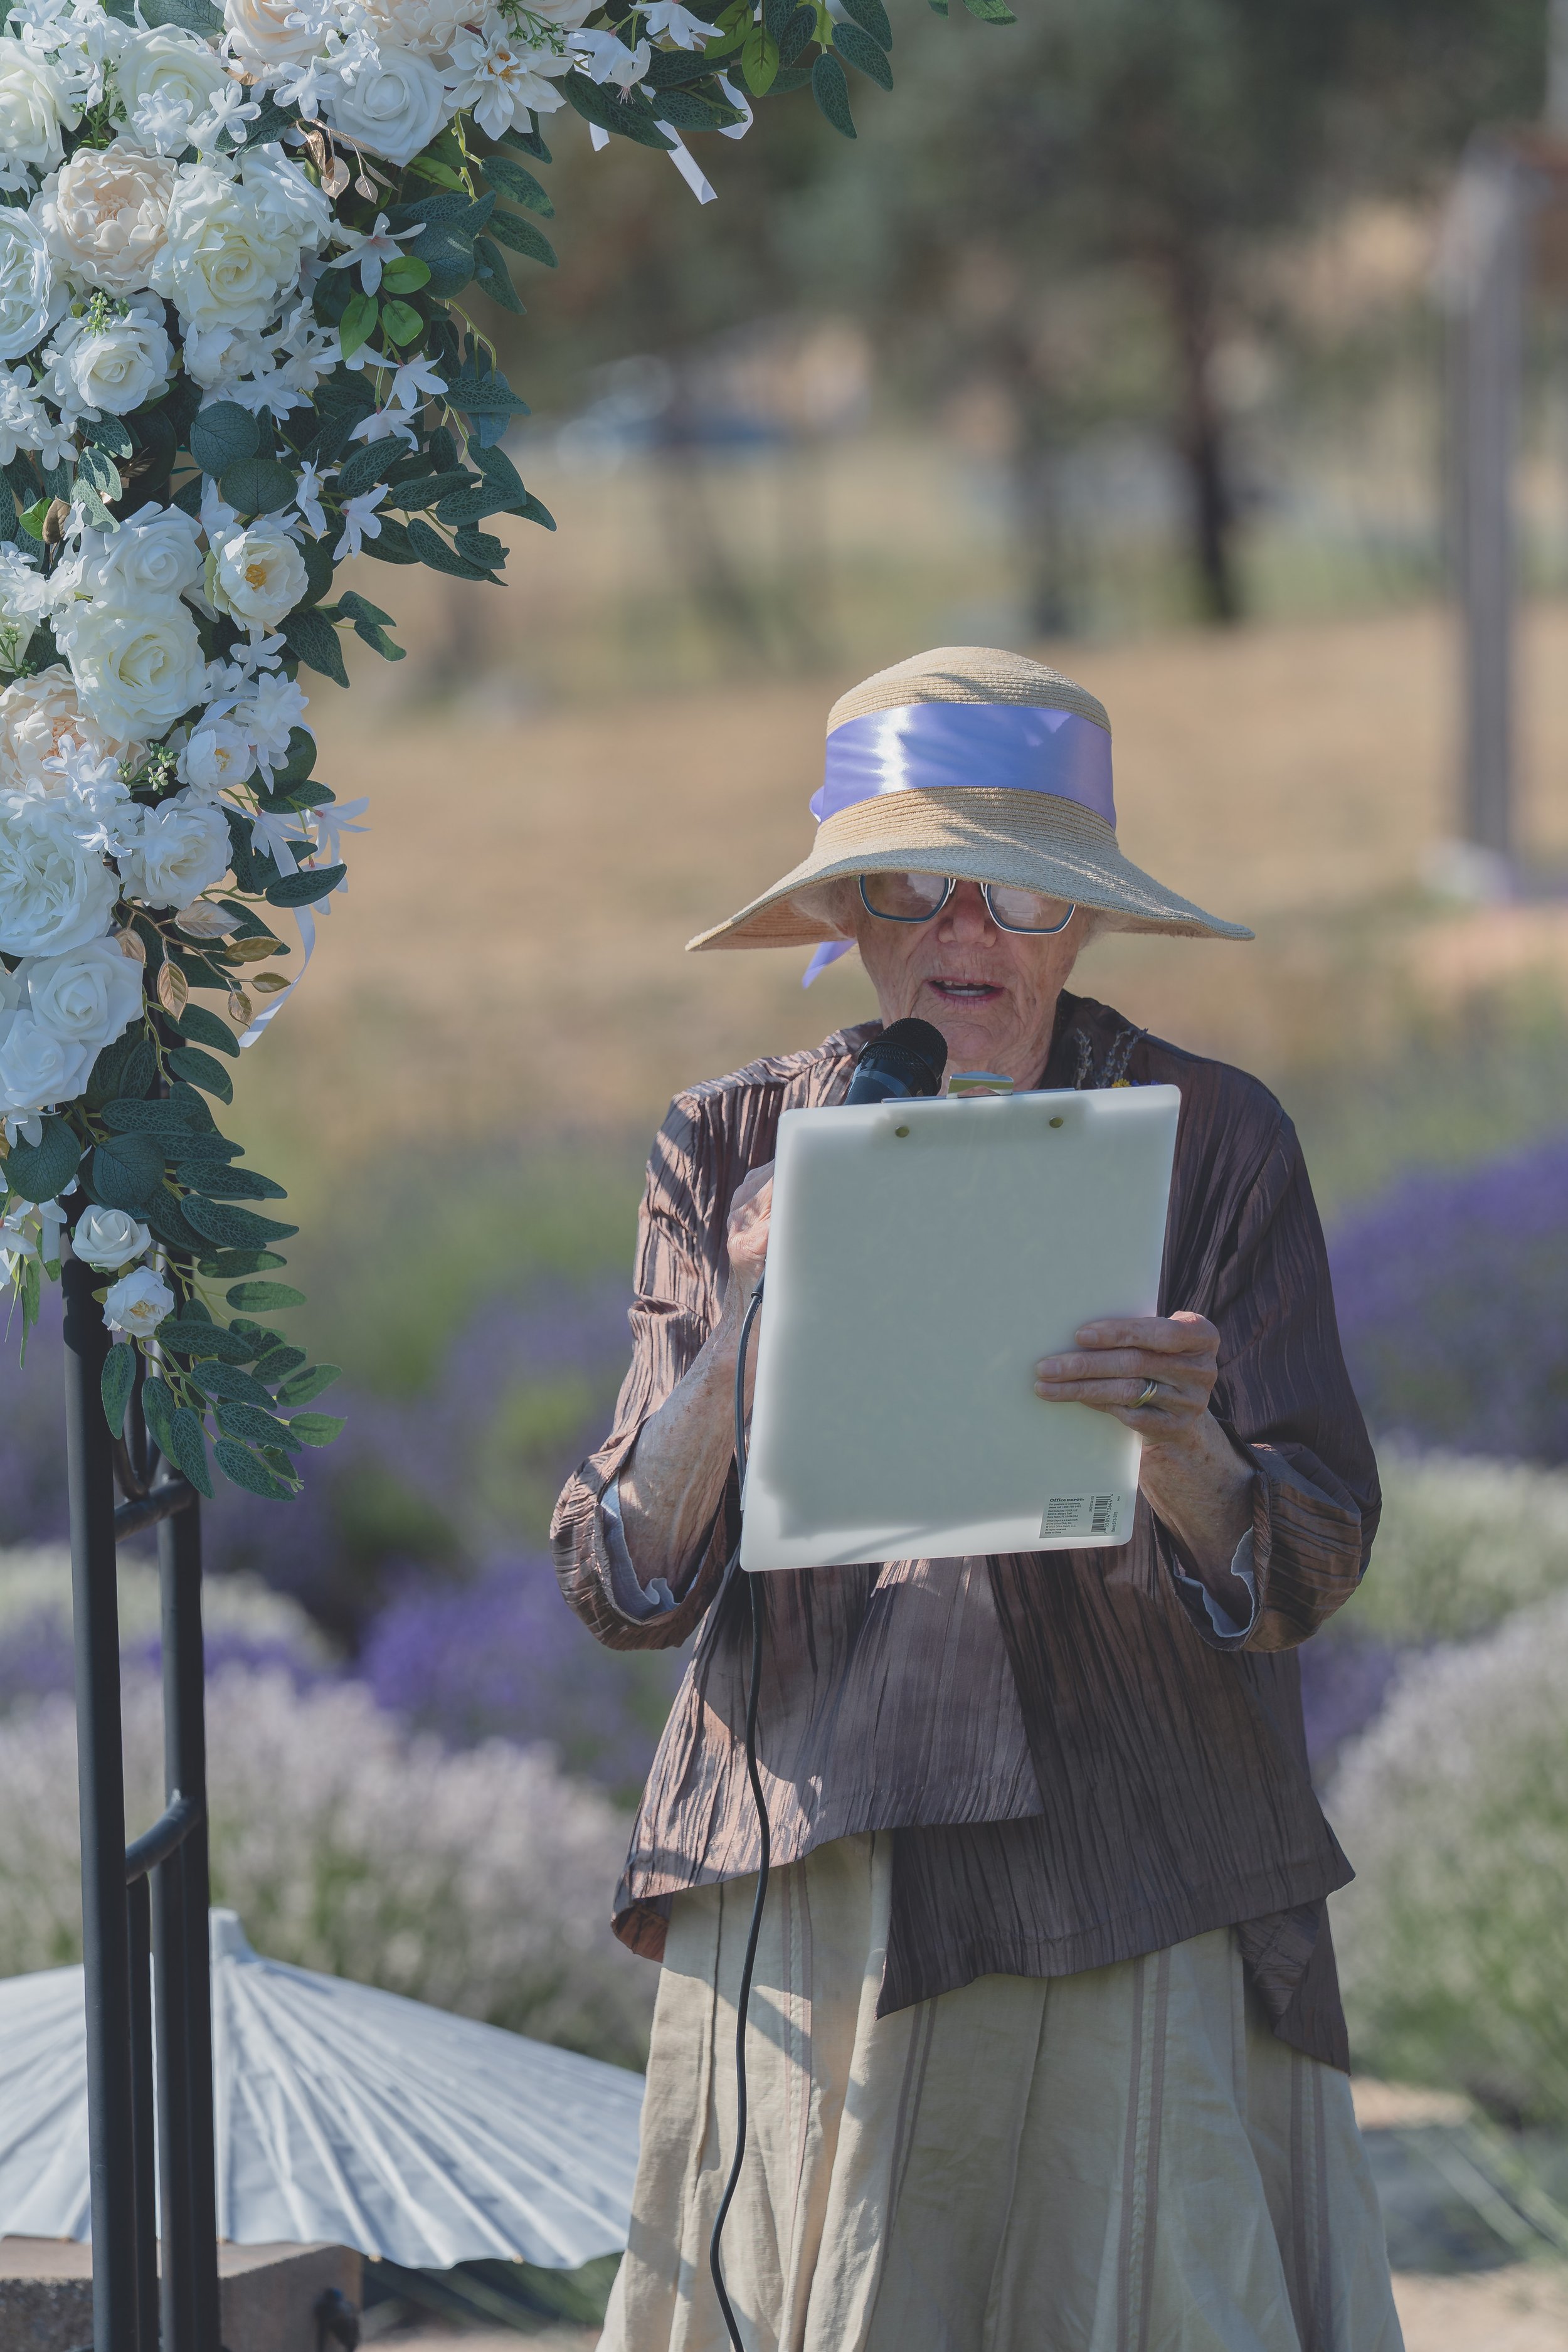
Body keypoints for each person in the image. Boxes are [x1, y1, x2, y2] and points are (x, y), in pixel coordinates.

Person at [553, 647, 1401, 2352]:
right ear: (848, 920)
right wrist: (745, 1331)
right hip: (816, 1864)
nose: (963, 938)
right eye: (908, 891)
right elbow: (618, 1577)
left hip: (1140, 1852)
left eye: (1017, 895)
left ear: (1081, 918)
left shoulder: (1213, 1140)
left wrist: (1184, 1446)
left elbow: (1309, 1556)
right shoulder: (725, 1144)